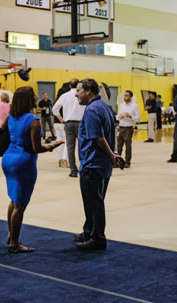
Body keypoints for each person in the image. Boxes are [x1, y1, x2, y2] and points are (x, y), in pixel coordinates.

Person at [1, 86, 63, 253]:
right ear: (28, 100)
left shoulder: (12, 117)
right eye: (34, 95)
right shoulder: (33, 120)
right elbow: (36, 148)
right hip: (23, 162)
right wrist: (51, 146)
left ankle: (10, 234)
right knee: (20, 205)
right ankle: (14, 243)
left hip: (8, 159)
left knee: (13, 199)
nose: (36, 97)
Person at [73, 79, 119, 251]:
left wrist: (112, 155)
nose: (76, 94)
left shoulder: (91, 110)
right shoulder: (105, 107)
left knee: (94, 202)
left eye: (79, 90)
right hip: (102, 164)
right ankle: (89, 231)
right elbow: (110, 134)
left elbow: (99, 138)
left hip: (92, 164)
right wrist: (113, 154)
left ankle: (98, 238)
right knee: (95, 200)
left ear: (89, 92)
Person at [52, 78, 85, 178]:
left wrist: (61, 119)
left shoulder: (65, 95)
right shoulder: (83, 95)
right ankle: (84, 169)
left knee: (70, 148)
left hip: (68, 124)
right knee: (83, 147)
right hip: (81, 124)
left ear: (70, 86)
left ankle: (73, 171)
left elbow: (55, 109)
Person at [116, 90, 140, 168]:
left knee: (128, 146)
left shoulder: (135, 106)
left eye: (126, 95)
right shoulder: (122, 105)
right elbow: (118, 115)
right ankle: (117, 162)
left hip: (128, 128)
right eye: (124, 95)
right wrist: (119, 116)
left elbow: (138, 118)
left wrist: (130, 116)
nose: (125, 97)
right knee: (119, 146)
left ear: (131, 97)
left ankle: (127, 162)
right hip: (121, 126)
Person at [53, 84, 70, 168]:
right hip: (63, 123)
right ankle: (64, 159)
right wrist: (62, 119)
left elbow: (54, 111)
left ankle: (59, 159)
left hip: (55, 124)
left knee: (59, 141)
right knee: (67, 142)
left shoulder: (56, 101)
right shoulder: (65, 100)